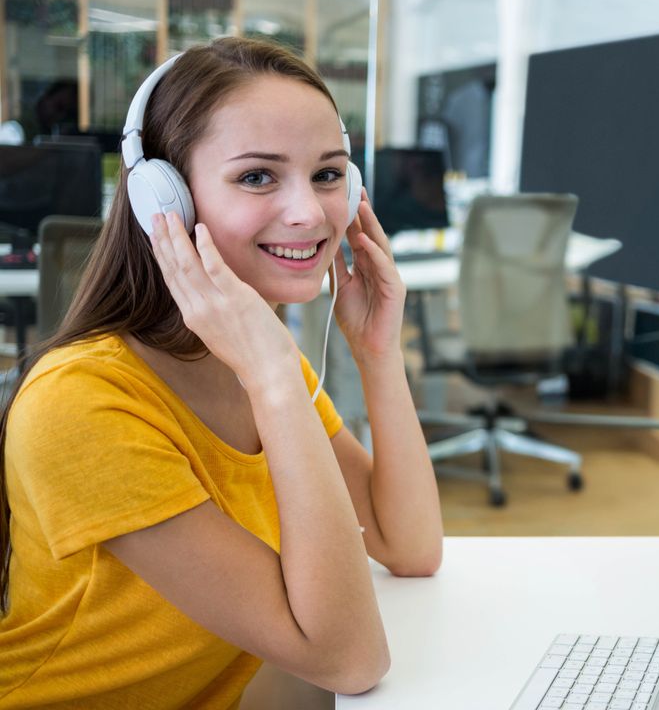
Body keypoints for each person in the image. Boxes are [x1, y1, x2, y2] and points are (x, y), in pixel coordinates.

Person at [0, 37, 443, 708]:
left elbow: (409, 547)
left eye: (328, 174)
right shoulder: (82, 405)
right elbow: (350, 660)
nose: (309, 212)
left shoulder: (258, 362)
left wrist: (377, 355)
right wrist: (273, 381)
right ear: (164, 200)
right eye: (258, 176)